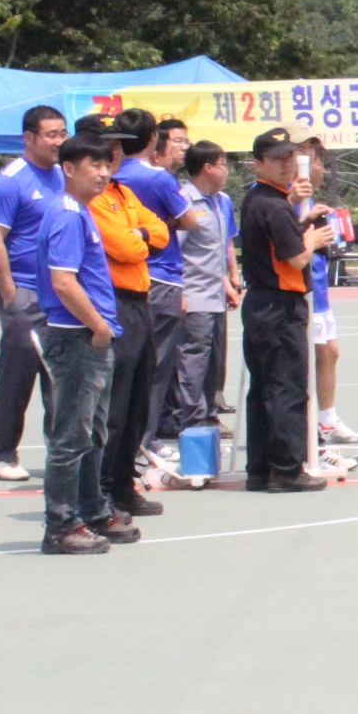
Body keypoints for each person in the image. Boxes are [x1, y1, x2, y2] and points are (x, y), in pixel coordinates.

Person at [34, 131, 124, 554]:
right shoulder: (68, 215)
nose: (104, 173)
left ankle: (92, 510)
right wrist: (98, 326)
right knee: (71, 435)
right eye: (95, 165)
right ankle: (61, 524)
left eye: (107, 165)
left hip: (87, 335)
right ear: (68, 169)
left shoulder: (78, 212)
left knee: (92, 432)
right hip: (76, 336)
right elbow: (64, 282)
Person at [83, 112, 170, 523]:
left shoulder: (122, 192)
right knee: (114, 404)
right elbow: (125, 247)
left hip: (137, 300)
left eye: (118, 146)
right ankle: (101, 490)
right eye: (107, 147)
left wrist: (143, 234)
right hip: (113, 299)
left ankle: (122, 483)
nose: (115, 154)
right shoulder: (94, 200)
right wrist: (141, 237)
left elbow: (161, 232)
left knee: (137, 399)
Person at [237, 130, 333, 492]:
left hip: (261, 304)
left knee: (263, 388)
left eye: (289, 158)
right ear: (258, 164)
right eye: (276, 159)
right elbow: (295, 259)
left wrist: (302, 222)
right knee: (286, 389)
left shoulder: (259, 198)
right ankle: (287, 469)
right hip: (279, 305)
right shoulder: (274, 205)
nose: (285, 165)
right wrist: (312, 238)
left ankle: (260, 468)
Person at [0, 105, 68, 482]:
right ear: (29, 138)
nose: (58, 141)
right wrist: (10, 295)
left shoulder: (64, 175)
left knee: (62, 377)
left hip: (63, 295)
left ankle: (61, 453)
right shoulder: (10, 180)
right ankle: (3, 454)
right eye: (51, 134)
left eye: (62, 133)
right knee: (17, 376)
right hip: (26, 292)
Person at [130, 115, 205, 461]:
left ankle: (135, 441)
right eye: (177, 141)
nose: (182, 147)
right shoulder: (158, 178)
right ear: (152, 140)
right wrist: (166, 221)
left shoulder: (112, 176)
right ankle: (143, 441)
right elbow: (189, 221)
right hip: (160, 276)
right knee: (156, 367)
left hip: (128, 275)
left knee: (130, 365)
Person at [170, 141, 240, 443]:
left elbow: (215, 249)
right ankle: (193, 421)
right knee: (193, 360)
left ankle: (209, 414)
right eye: (223, 164)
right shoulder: (185, 201)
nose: (226, 171)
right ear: (208, 168)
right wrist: (181, 293)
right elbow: (175, 251)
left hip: (214, 294)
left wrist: (227, 282)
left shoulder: (218, 201)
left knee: (213, 361)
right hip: (195, 295)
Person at [296, 138, 358, 447]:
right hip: (300, 290)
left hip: (319, 287)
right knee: (311, 355)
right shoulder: (286, 197)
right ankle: (309, 425)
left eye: (319, 161)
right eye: (315, 161)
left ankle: (327, 419)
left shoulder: (309, 199)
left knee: (330, 351)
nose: (319, 167)